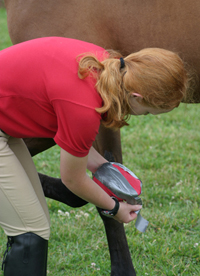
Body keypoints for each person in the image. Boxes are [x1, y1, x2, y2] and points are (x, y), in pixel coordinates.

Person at [0, 37, 189, 275]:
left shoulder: (108, 65)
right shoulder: (85, 108)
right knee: (30, 231)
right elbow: (72, 179)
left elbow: (75, 137)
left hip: (6, 127)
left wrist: (107, 173)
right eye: (150, 112)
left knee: (35, 223)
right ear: (137, 96)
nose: (144, 115)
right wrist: (114, 208)